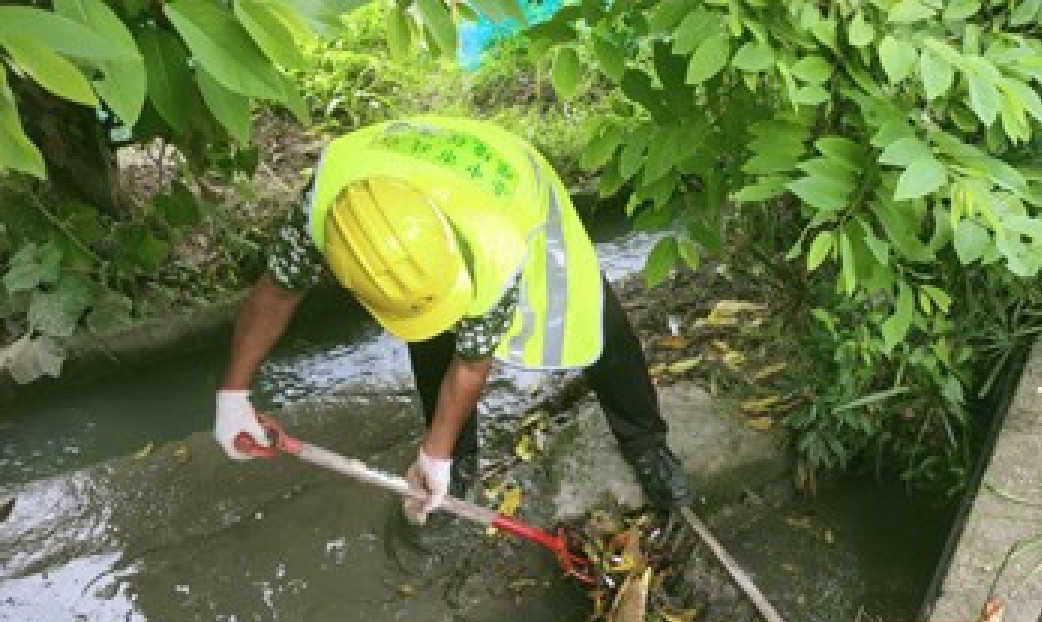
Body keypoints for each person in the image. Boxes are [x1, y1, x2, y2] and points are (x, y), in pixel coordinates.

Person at [213, 115, 690, 523]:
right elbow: (276, 291)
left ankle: (645, 440)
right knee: (429, 331)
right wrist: (232, 396)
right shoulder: (324, 207)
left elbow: (471, 361)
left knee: (590, 320)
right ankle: (457, 459)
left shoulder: (498, 241)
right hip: (410, 180)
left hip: (509, 183)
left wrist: (431, 454)